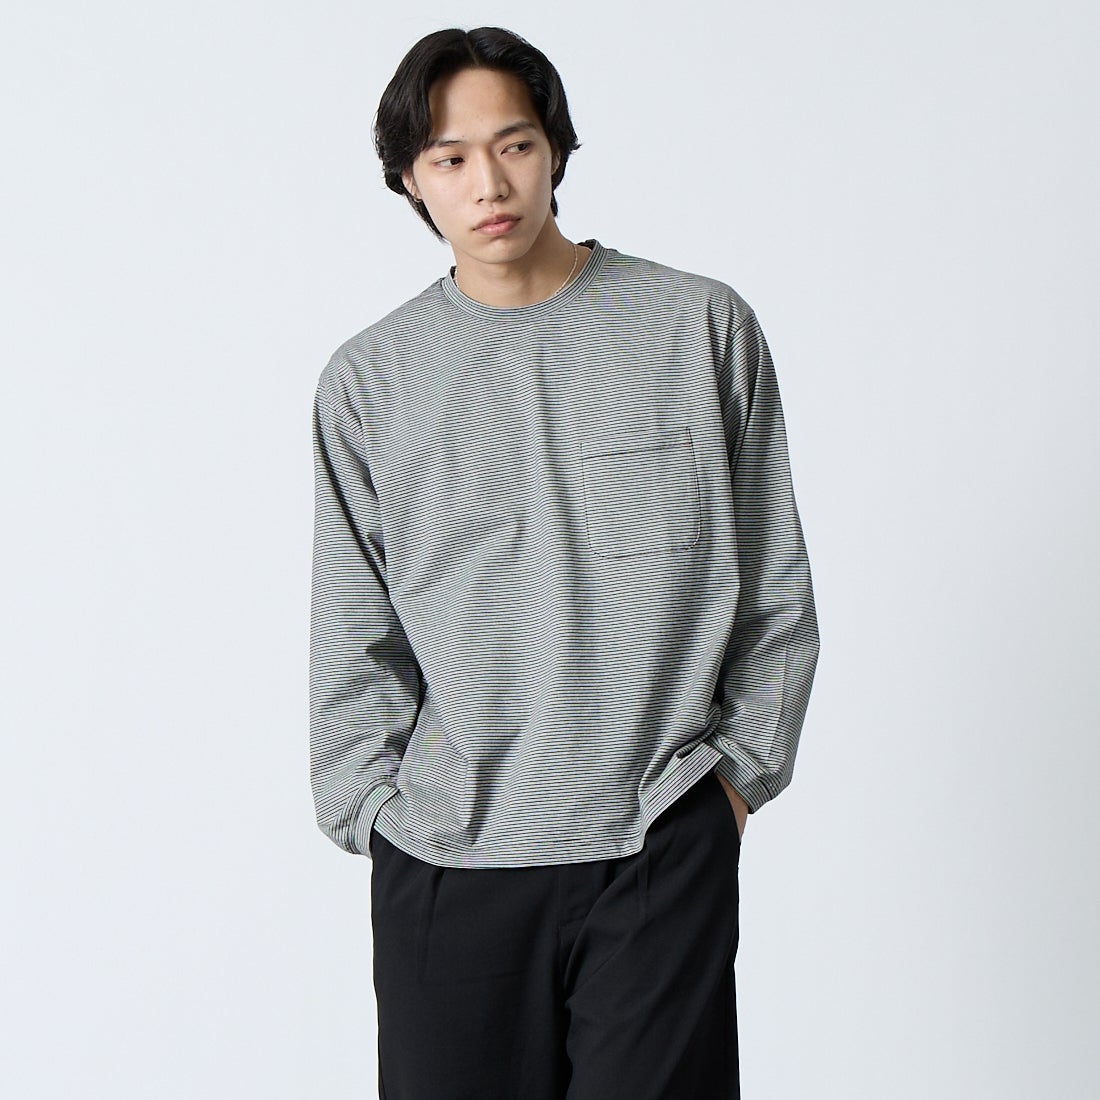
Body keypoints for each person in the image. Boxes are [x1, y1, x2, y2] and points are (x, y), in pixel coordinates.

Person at [309, 25, 820, 1099]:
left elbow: (772, 583)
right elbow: (355, 628)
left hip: (655, 840)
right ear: (408, 179)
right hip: (447, 864)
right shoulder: (369, 380)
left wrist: (731, 784)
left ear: (555, 149)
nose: (488, 183)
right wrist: (373, 811)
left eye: (514, 145)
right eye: (449, 158)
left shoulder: (696, 326)